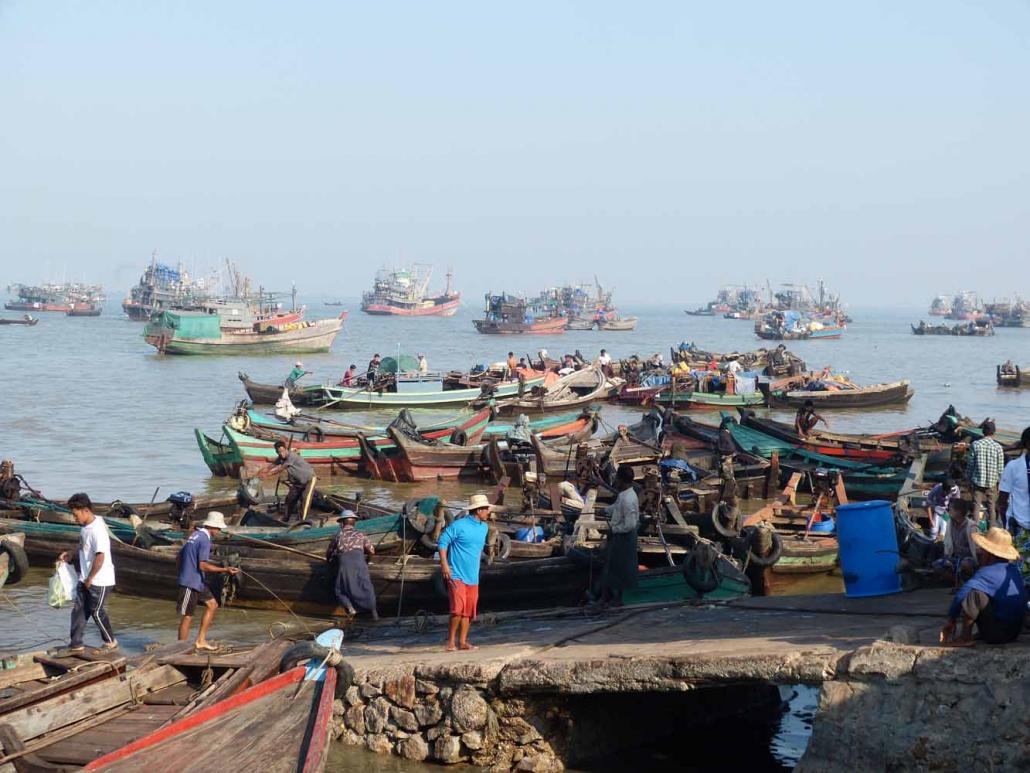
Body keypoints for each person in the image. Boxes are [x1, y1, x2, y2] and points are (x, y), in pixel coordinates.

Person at [939, 527, 1027, 646]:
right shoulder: (1014, 570)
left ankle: (965, 637)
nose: (980, 552)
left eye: (983, 550)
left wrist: (951, 619)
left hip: (998, 634)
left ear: (989, 553)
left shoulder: (987, 572)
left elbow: (961, 595)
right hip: (1014, 632)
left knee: (974, 595)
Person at [58, 493, 117, 653]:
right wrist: (71, 554)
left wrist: (91, 577)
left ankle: (110, 641)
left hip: (100, 580)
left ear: (85, 510)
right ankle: (76, 644)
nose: (74, 517)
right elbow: (84, 548)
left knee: (96, 611)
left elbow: (100, 555)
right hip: (85, 578)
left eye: (75, 514)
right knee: (79, 610)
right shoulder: (85, 528)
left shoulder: (97, 529)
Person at [176, 511, 240, 651]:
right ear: (213, 527)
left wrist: (183, 570)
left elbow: (179, 556)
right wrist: (225, 570)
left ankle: (200, 640)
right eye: (218, 529)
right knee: (188, 616)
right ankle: (180, 648)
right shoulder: (204, 539)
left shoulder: (195, 535)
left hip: (197, 580)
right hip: (190, 582)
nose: (219, 531)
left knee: (212, 605)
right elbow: (203, 565)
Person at [438, 494, 491, 651]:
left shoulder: (484, 527)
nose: (489, 511)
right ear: (478, 510)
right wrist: (444, 565)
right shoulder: (459, 525)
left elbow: (477, 549)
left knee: (468, 610)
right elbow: (442, 542)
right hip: (456, 573)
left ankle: (463, 642)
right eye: (486, 509)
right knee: (458, 609)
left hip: (473, 575)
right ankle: (450, 642)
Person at [599, 465, 640, 607]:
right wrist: (603, 511)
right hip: (619, 534)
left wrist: (614, 530)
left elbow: (630, 524)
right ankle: (609, 598)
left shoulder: (629, 499)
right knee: (613, 567)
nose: (615, 480)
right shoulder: (624, 495)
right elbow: (616, 508)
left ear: (621, 480)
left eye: (617, 478)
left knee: (619, 568)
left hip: (625, 537)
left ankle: (615, 599)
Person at [326, 510, 378, 619]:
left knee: (340, 590)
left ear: (342, 523)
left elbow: (329, 552)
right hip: (360, 562)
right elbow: (372, 551)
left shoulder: (338, 535)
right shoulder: (360, 534)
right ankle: (373, 612)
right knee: (366, 587)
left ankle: (351, 609)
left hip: (345, 563)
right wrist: (368, 560)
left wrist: (328, 561)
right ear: (354, 522)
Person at [256, 440, 316, 520]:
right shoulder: (281, 458)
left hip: (309, 479)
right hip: (298, 482)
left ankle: (302, 521)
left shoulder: (292, 456)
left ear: (286, 449)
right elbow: (272, 466)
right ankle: (286, 518)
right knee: (289, 500)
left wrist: (267, 475)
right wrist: (261, 472)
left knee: (305, 500)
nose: (281, 454)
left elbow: (280, 468)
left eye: (282, 451)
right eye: (278, 452)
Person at [999, 426, 1030, 579]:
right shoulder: (1014, 467)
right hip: (1020, 527)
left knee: (1018, 573)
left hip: (1020, 528)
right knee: (1020, 573)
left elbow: (1002, 501)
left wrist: (1005, 524)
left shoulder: (1013, 467)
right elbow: (1002, 500)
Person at [931, 499, 978, 587]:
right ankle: (959, 582)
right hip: (954, 557)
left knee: (966, 564)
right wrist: (947, 555)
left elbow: (976, 548)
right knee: (937, 565)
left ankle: (971, 582)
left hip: (968, 558)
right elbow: (948, 543)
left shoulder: (972, 526)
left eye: (951, 509)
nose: (949, 511)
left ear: (959, 512)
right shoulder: (949, 523)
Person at [966, 420, 1005, 525]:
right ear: (994, 432)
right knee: (991, 507)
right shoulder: (998, 447)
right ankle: (992, 529)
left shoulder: (975, 444)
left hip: (977, 481)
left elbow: (970, 465)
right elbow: (1000, 469)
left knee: (976, 506)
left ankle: (975, 530)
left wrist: (968, 480)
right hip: (992, 483)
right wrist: (999, 485)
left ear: (982, 432)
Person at [717, 417, 737, 499]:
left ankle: (725, 494)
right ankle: (727, 496)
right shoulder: (724, 434)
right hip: (726, 458)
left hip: (725, 458)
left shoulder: (723, 433)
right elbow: (729, 448)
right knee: (728, 477)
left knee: (726, 477)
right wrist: (732, 453)